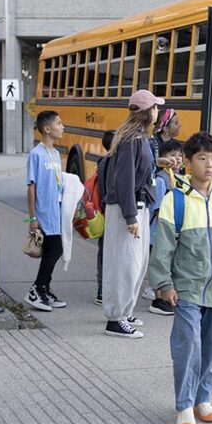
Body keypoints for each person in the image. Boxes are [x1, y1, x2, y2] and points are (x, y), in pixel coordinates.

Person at [149, 131, 212, 424]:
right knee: (187, 347)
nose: (209, 165)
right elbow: (163, 246)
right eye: (202, 159)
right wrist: (164, 284)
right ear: (188, 162)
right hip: (186, 289)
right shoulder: (174, 201)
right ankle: (183, 405)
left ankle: (203, 399)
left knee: (208, 347)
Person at [102, 89, 164, 338]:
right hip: (128, 209)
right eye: (156, 107)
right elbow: (125, 180)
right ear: (147, 112)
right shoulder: (131, 140)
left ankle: (124, 311)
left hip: (137, 207)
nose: (158, 111)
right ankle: (115, 319)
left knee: (136, 264)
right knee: (125, 264)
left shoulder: (137, 137)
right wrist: (130, 217)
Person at [26, 110, 67, 312]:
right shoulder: (36, 154)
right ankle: (36, 290)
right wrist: (32, 217)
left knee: (53, 251)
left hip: (56, 212)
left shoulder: (56, 154)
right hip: (43, 213)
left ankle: (44, 289)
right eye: (59, 123)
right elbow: (31, 187)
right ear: (47, 129)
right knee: (54, 250)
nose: (63, 127)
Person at [145, 139, 184, 316]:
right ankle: (158, 298)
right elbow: (158, 208)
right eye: (172, 155)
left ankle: (165, 297)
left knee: (169, 263)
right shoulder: (161, 180)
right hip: (158, 231)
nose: (177, 159)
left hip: (172, 231)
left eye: (179, 155)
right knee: (160, 263)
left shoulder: (178, 179)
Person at [94, 129, 116, 307]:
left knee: (105, 253)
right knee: (108, 254)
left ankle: (102, 290)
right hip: (109, 213)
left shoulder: (103, 161)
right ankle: (103, 290)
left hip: (104, 211)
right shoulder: (110, 162)